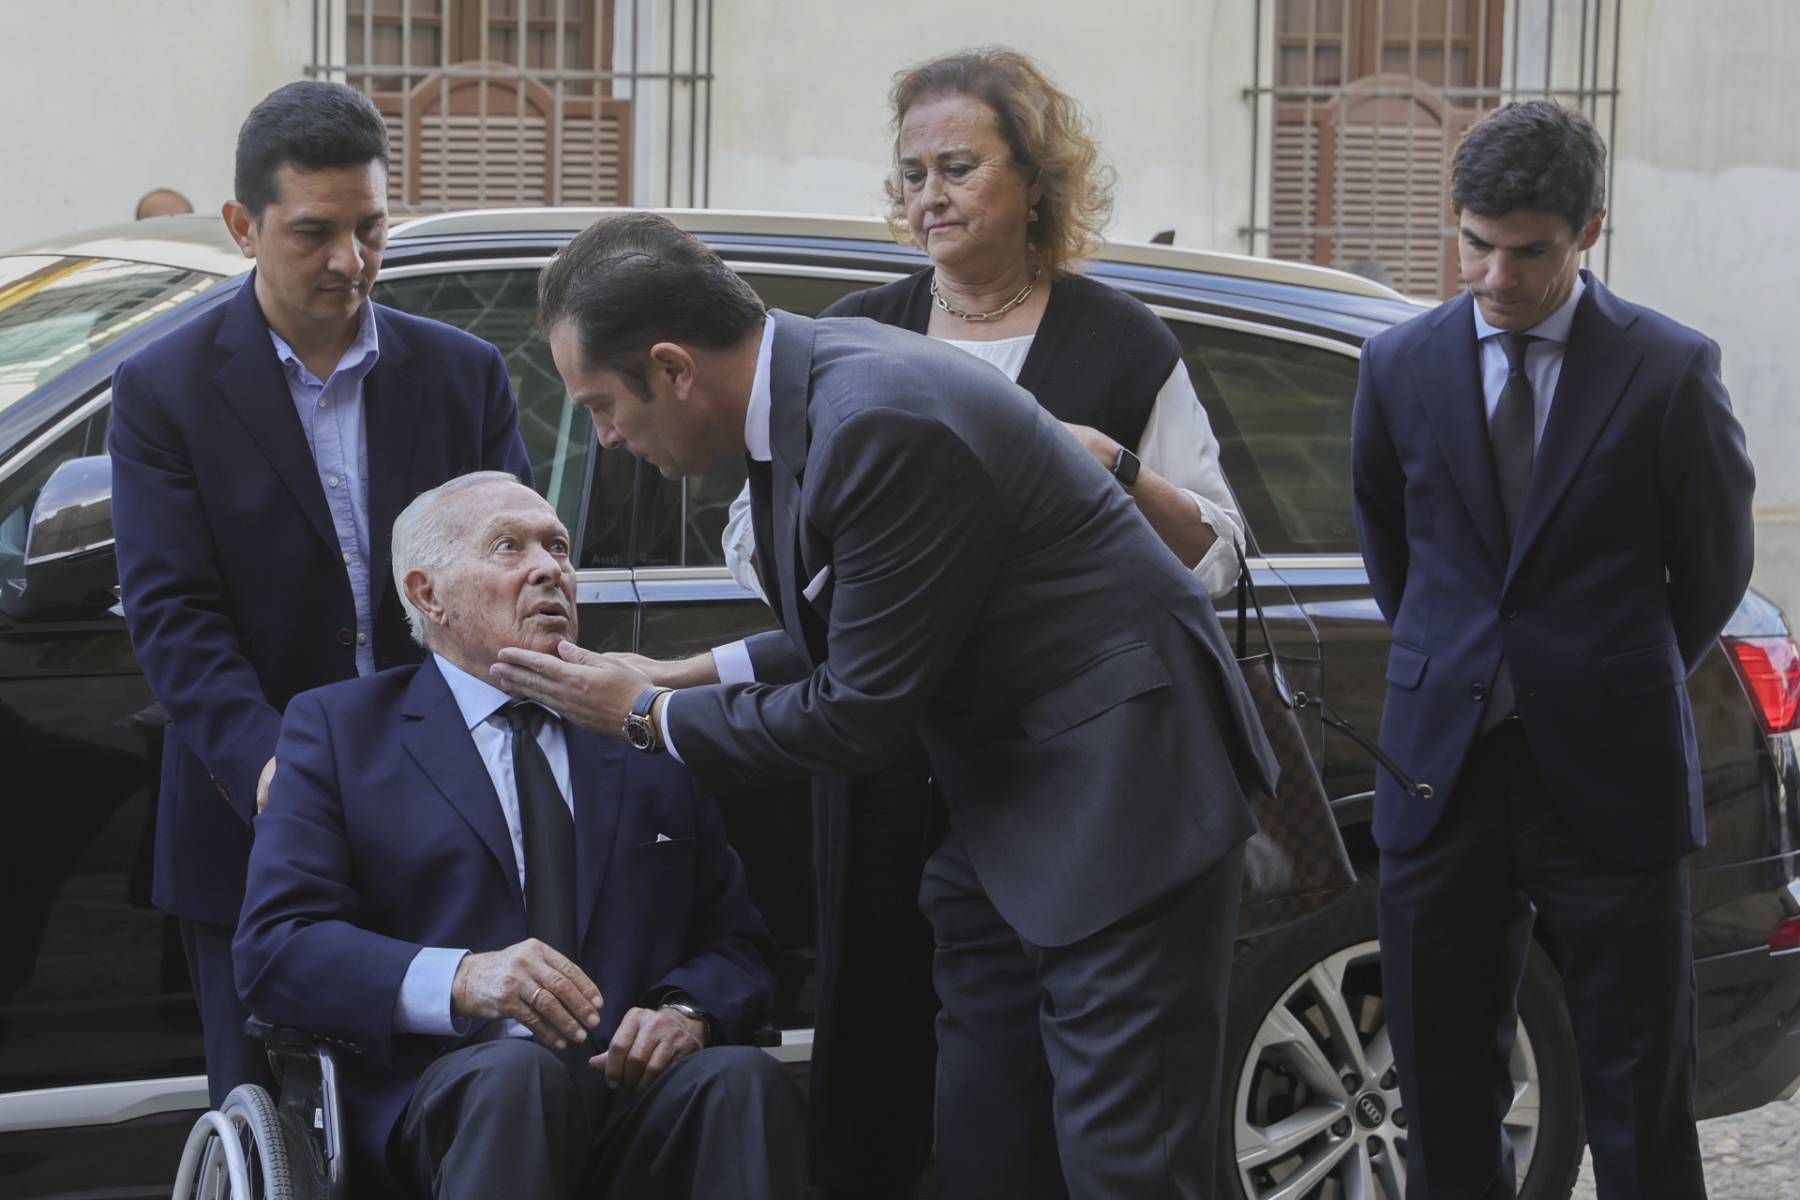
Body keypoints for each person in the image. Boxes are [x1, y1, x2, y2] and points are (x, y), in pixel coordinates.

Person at [497, 210, 1277, 1198]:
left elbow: (858, 713)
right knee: (986, 1153)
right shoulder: (810, 390)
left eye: (604, 406)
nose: (605, 439)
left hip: (1124, 799)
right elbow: (874, 620)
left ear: (673, 367)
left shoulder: (872, 419)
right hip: (1006, 823)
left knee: (1125, 1166)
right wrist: (683, 676)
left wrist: (641, 719)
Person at [710, 46, 1248, 1198]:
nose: (928, 197)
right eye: (910, 174)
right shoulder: (859, 328)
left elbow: (1217, 560)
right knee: (914, 1073)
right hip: (892, 771)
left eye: (958, 166)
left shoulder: (1122, 343)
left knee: (1105, 1116)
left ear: (1037, 180)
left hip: (1071, 782)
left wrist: (1105, 466)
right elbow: (756, 537)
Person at [1351, 100, 1754, 1198]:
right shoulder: (1397, 367)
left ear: (1589, 233)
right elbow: (1397, 554)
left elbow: (1713, 567)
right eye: (1474, 244)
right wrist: (1469, 670)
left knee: (1637, 1091)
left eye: (1528, 252)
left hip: (1611, 774)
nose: (1494, 276)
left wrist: (1602, 674)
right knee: (1440, 1084)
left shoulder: (1669, 370)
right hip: (1443, 772)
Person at [109, 80, 530, 1107]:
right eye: (315, 234)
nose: (351, 260)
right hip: (254, 827)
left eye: (371, 227)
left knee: (471, 1105)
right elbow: (173, 612)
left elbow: (515, 577)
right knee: (269, 1113)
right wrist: (274, 771)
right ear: (244, 227)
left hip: (449, 813)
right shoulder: (162, 390)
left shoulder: (464, 375)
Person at [235, 473, 800, 1198]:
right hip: (448, 1104)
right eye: (510, 547)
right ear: (426, 594)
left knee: (739, 1080)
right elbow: (278, 949)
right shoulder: (342, 732)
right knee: (518, 1075)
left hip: (629, 1099)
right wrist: (466, 978)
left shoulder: (640, 730)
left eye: (558, 548)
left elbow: (738, 945)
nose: (550, 569)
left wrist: (688, 1013)